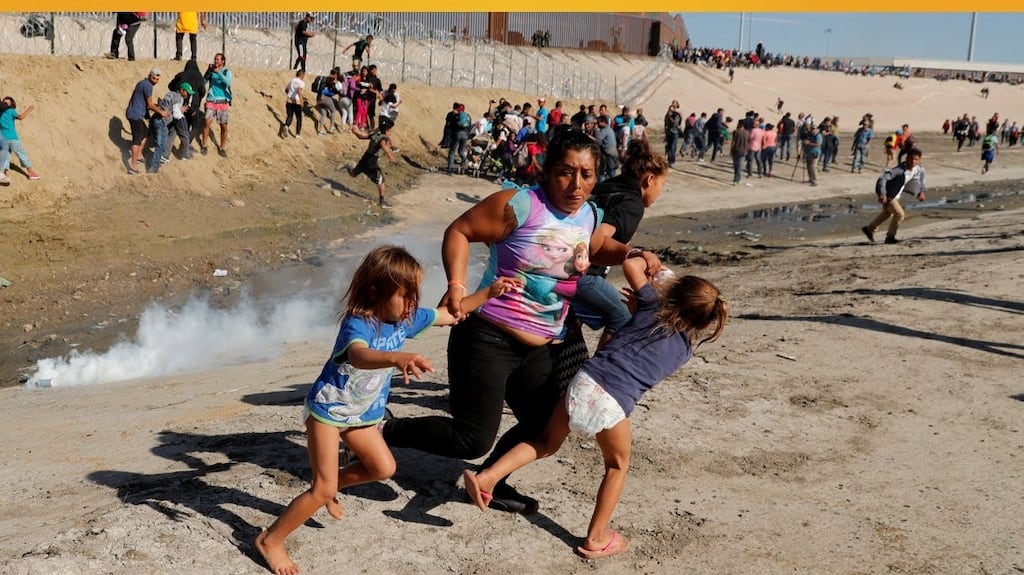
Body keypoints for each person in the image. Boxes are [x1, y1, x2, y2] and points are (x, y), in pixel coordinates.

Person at [380, 130, 661, 516]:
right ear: (547, 171)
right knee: (470, 439)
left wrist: (631, 252)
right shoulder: (520, 204)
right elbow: (460, 231)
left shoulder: (589, 214)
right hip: (487, 337)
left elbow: (595, 248)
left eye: (587, 174)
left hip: (542, 344)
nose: (576, 185)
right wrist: (457, 285)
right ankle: (382, 431)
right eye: (566, 172)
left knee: (547, 425)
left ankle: (492, 480)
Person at [253, 245, 522, 575]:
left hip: (362, 414)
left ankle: (332, 486)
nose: (412, 305)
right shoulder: (359, 324)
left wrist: (489, 293)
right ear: (374, 291)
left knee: (383, 467)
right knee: (321, 488)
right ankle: (271, 540)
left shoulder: (405, 319)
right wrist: (396, 358)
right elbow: (358, 355)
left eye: (415, 296)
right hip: (329, 412)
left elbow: (450, 314)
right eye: (405, 296)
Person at [464, 259, 727, 559]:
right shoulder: (684, 351)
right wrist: (650, 303)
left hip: (584, 381)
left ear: (673, 292)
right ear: (704, 324)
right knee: (616, 466)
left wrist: (656, 268)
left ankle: (487, 478)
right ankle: (596, 537)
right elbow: (649, 346)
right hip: (613, 401)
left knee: (545, 443)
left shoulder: (652, 305)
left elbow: (632, 265)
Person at [572, 138, 669, 348]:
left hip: (560, 263)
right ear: (650, 179)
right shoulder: (632, 204)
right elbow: (598, 237)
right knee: (623, 316)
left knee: (573, 321)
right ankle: (602, 367)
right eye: (661, 185)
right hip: (582, 273)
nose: (659, 193)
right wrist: (635, 253)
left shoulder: (608, 187)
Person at [861, 147, 926, 245]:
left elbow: (920, 181)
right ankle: (890, 237)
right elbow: (882, 179)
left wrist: (921, 192)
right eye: (911, 158)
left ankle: (869, 229)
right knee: (900, 214)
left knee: (887, 213)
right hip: (888, 194)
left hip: (896, 195)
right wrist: (882, 194)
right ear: (906, 158)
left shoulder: (918, 169)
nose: (913, 161)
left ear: (919, 160)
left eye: (916, 159)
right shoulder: (899, 170)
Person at [343, 116, 396, 209]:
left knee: (353, 174)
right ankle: (382, 202)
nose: (391, 133)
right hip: (371, 163)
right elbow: (383, 144)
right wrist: (389, 154)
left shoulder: (375, 135)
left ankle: (348, 166)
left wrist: (355, 132)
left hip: (364, 159)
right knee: (381, 180)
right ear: (387, 131)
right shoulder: (384, 138)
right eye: (390, 131)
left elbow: (361, 136)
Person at [124, 68, 166, 175]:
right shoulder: (148, 86)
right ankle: (133, 167)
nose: (156, 80)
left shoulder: (143, 83)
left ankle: (138, 155)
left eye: (157, 79)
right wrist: (161, 112)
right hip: (135, 115)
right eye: (154, 78)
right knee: (137, 140)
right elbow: (150, 105)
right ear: (149, 76)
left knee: (146, 133)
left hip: (135, 113)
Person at [0, 97, 41, 180]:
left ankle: (2, 173)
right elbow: (20, 117)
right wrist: (29, 109)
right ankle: (30, 173)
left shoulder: (0, 113)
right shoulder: (11, 111)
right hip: (12, 138)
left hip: (4, 139)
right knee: (22, 154)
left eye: (6, 103)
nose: (5, 104)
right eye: (4, 103)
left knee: (6, 155)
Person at [201, 53, 232, 158]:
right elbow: (203, 82)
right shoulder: (211, 72)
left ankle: (222, 147)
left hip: (222, 102)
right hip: (211, 100)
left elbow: (227, 82)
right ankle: (204, 145)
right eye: (215, 59)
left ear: (222, 61)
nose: (215, 61)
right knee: (207, 123)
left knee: (223, 126)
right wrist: (208, 72)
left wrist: (218, 72)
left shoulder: (227, 72)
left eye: (217, 59)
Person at [159, 81, 195, 163]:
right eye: (187, 93)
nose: (188, 95)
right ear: (182, 90)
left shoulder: (170, 94)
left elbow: (169, 106)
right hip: (169, 119)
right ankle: (185, 155)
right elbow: (176, 114)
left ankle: (164, 155)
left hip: (162, 118)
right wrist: (182, 117)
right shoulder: (179, 98)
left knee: (173, 133)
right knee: (185, 135)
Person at [280, 69, 305, 139]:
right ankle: (297, 134)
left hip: (289, 100)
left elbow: (286, 89)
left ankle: (286, 126)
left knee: (290, 116)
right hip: (297, 102)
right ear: (302, 75)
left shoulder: (292, 80)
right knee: (299, 118)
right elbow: (299, 91)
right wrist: (301, 101)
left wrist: (290, 94)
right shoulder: (301, 82)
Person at [801, 122, 822, 186]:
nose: (812, 130)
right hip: (808, 152)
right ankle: (810, 178)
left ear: (816, 129)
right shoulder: (810, 134)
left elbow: (818, 144)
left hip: (815, 153)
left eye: (813, 129)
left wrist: (808, 143)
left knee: (813, 167)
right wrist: (804, 142)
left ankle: (815, 180)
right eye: (812, 128)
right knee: (808, 166)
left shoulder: (818, 135)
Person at [729, 118, 748, 186]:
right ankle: (737, 179)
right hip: (743, 151)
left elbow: (733, 142)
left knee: (736, 166)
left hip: (736, 150)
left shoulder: (736, 132)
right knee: (739, 166)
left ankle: (736, 179)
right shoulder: (747, 132)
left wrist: (730, 151)